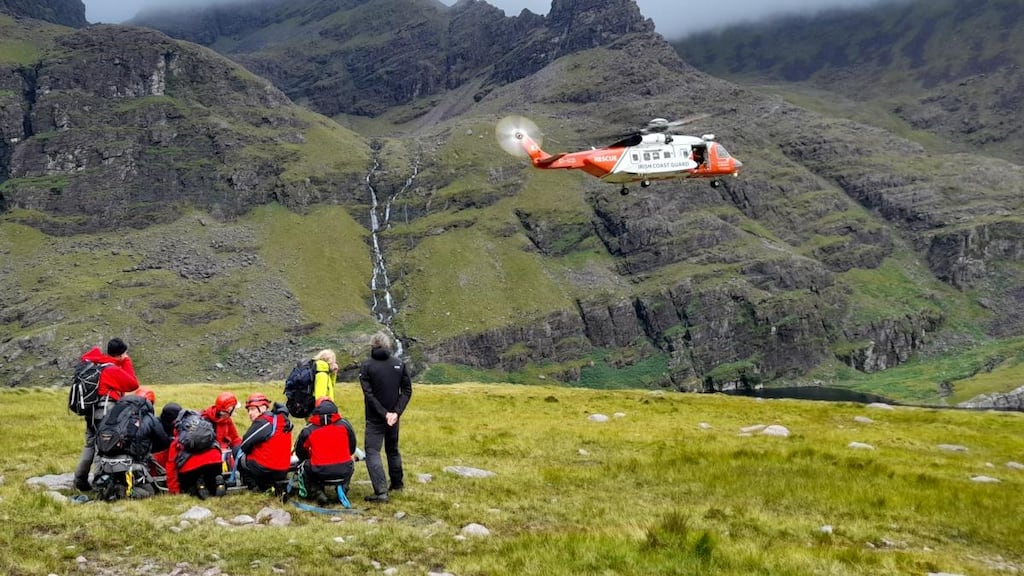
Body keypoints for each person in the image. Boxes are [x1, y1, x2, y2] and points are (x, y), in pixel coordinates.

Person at [73, 337, 140, 492]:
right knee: (103, 447)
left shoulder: (98, 364)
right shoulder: (111, 370)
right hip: (104, 413)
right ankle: (99, 483)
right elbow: (133, 384)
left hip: (91, 413)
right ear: (121, 353)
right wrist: (127, 361)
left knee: (90, 444)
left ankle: (80, 479)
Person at [358, 331, 412, 502]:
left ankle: (381, 492)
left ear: (372, 346)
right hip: (393, 418)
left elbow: (369, 394)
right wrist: (396, 412)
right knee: (393, 449)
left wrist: (384, 413)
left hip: (375, 417)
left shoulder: (367, 366)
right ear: (388, 345)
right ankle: (397, 483)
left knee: (372, 451)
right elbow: (407, 390)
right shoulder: (399, 363)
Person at [92, 390, 169, 500]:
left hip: (105, 463)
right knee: (150, 492)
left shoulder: (114, 413)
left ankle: (111, 486)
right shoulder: (147, 417)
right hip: (130, 464)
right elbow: (163, 441)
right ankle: (122, 491)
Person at [294, 397, 357, 505]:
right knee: (349, 462)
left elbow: (300, 452)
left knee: (303, 465)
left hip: (319, 471)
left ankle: (317, 492)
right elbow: (352, 447)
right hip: (344, 470)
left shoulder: (309, 429)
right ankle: (343, 489)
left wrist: (310, 457)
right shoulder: (345, 425)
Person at [236, 393, 293, 491]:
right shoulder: (283, 421)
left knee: (237, 451)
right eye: (249, 410)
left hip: (265, 470)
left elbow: (244, 444)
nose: (250, 413)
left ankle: (252, 484)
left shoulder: (263, 422)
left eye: (253, 409)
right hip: (283, 470)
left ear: (263, 408)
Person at [165, 408, 226, 498]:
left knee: (189, 487)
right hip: (214, 461)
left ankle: (198, 486)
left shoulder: (179, 438)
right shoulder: (206, 430)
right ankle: (217, 482)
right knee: (211, 480)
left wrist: (174, 491)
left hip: (191, 468)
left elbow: (171, 466)